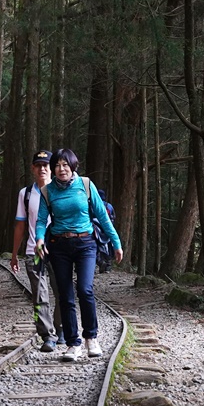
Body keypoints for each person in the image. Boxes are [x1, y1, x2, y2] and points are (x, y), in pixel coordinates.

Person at [35, 148, 123, 362]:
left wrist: (116, 243)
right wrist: (39, 238)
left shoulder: (85, 184)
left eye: (65, 165)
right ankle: (73, 344)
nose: (61, 169)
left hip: (85, 243)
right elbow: (40, 219)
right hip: (59, 245)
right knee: (65, 295)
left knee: (85, 289)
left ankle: (91, 338)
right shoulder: (48, 191)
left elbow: (103, 216)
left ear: (73, 166)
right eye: (57, 165)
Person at [11, 150, 63, 352]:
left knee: (62, 292)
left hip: (59, 252)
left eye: (46, 165)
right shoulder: (25, 194)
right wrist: (15, 253)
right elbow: (20, 226)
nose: (42, 168)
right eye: (38, 165)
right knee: (40, 296)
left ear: (52, 168)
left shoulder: (61, 191)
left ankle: (60, 330)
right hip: (34, 251)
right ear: (33, 168)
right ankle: (47, 335)